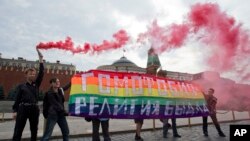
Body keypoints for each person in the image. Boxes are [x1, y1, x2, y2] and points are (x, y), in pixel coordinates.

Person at [12, 48, 44, 141]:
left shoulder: (36, 84)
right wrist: (15, 110)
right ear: (26, 75)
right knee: (18, 130)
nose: (33, 75)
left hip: (34, 109)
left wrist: (41, 59)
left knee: (34, 131)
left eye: (34, 74)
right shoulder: (21, 86)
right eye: (31, 74)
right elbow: (17, 99)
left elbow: (41, 73)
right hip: (23, 109)